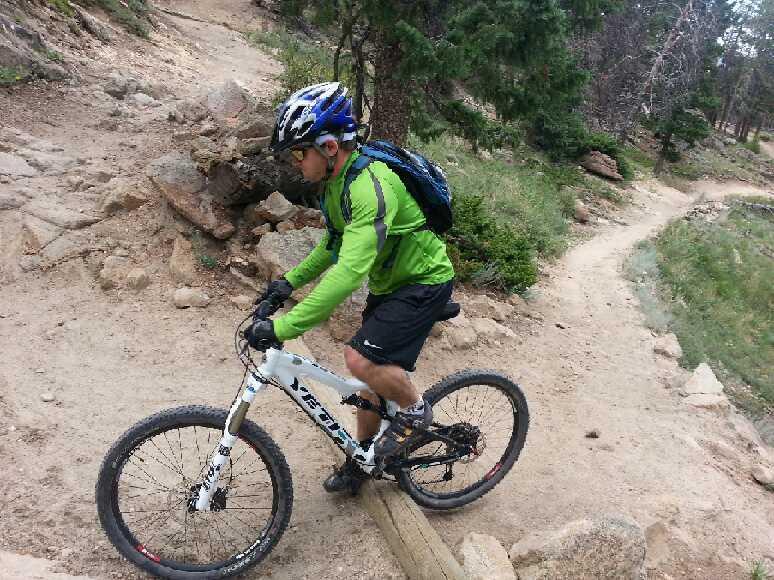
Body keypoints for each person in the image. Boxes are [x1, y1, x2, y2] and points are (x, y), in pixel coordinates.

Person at [246, 82, 455, 494]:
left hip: (423, 282)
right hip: (391, 283)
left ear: (327, 146)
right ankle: (363, 458)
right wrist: (285, 284)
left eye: (298, 152)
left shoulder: (369, 186)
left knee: (360, 360)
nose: (295, 162)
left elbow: (348, 271)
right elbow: (332, 247)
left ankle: (415, 414)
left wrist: (285, 328)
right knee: (368, 382)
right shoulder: (337, 185)